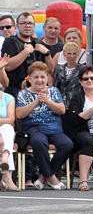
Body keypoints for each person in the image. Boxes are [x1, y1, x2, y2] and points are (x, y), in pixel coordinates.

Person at [15, 61, 72, 190]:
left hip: (54, 129)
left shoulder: (53, 91)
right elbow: (19, 114)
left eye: (42, 77)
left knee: (67, 144)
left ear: (47, 78)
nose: (39, 80)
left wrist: (47, 100)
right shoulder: (23, 94)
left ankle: (43, 176)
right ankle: (52, 178)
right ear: (29, 79)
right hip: (35, 128)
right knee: (39, 142)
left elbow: (62, 110)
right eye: (36, 77)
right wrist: (36, 101)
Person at [2, 12, 55, 97]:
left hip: (38, 92)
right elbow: (7, 66)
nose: (27, 26)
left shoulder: (38, 43)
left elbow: (51, 70)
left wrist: (47, 54)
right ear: (17, 26)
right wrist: (25, 52)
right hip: (16, 91)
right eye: (23, 23)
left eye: (30, 23)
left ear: (34, 26)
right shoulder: (10, 42)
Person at [0, 86, 19, 190]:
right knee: (4, 139)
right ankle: (7, 177)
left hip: (4, 129)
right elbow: (6, 119)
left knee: (8, 128)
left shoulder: (9, 98)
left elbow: (11, 120)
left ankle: (5, 157)